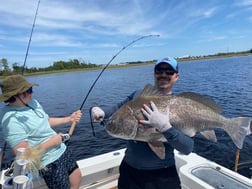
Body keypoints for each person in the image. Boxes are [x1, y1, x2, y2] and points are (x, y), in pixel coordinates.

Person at [91, 56, 194, 189]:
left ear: (176, 76)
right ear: (154, 74)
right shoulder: (138, 95)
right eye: (159, 70)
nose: (163, 74)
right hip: (129, 172)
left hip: (162, 176)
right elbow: (117, 108)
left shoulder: (183, 107)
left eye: (169, 71)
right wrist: (102, 112)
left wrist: (166, 128)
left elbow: (187, 148)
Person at [0, 75, 82, 189]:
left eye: (30, 89)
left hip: (62, 150)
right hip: (49, 162)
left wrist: (69, 119)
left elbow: (46, 121)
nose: (31, 93)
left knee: (76, 176)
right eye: (28, 91)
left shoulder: (33, 103)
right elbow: (25, 156)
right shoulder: (11, 121)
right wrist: (52, 143)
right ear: (15, 96)